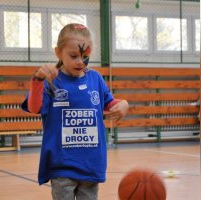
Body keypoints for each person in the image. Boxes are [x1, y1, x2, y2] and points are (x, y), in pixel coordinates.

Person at [21, 23, 129, 200]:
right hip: (62, 164)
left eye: (85, 56)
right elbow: (35, 108)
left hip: (91, 164)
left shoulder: (95, 78)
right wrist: (38, 80)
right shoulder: (51, 81)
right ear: (58, 53)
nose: (80, 61)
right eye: (73, 56)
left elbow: (108, 103)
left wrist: (123, 103)